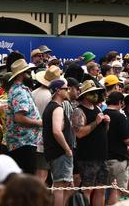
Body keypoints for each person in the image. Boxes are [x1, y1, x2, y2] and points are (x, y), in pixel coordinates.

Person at [72, 80, 110, 206]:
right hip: (87, 157)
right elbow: (79, 133)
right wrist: (96, 122)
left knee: (100, 189)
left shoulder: (98, 108)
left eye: (96, 92)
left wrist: (106, 123)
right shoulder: (78, 110)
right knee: (87, 189)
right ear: (85, 95)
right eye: (92, 93)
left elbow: (103, 131)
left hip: (102, 155)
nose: (95, 95)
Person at [42, 78, 77, 206]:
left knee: (67, 185)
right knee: (60, 186)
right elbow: (56, 131)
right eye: (65, 88)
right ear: (58, 91)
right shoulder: (57, 108)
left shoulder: (51, 107)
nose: (68, 91)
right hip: (60, 153)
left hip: (55, 152)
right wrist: (67, 149)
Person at [3, 59, 41, 174]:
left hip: (23, 142)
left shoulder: (19, 89)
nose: (29, 75)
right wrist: (39, 122)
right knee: (26, 180)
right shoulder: (19, 91)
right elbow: (19, 118)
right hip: (23, 143)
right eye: (27, 72)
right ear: (21, 75)